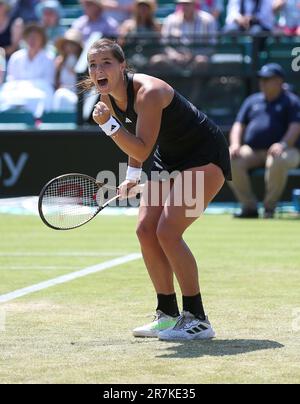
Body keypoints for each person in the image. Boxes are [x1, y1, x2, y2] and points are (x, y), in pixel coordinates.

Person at [83, 38, 231, 341]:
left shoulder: (148, 93)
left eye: (106, 63)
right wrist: (133, 174)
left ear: (123, 66)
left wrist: (108, 126)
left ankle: (198, 318)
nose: (98, 70)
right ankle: (167, 314)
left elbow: (141, 144)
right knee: (145, 230)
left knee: (168, 232)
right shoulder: (108, 95)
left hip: (205, 155)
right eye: (93, 65)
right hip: (170, 157)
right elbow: (139, 147)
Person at [228, 63, 300, 219]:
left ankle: (269, 207)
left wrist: (283, 144)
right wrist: (235, 144)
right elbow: (238, 125)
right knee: (228, 159)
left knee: (278, 158)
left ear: (279, 81)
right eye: (261, 78)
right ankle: (249, 207)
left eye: (267, 79)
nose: (262, 82)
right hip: (253, 151)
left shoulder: (291, 101)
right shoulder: (252, 101)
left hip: (287, 150)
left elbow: (295, 127)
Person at [0, 24, 55, 117]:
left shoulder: (48, 58)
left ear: (42, 40)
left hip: (40, 91)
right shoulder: (16, 57)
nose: (32, 40)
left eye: (36, 38)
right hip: (17, 90)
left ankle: (37, 121)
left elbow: (48, 82)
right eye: (30, 37)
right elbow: (11, 80)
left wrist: (28, 85)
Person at [53, 28, 83, 111]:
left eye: (73, 44)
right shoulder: (60, 62)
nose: (69, 47)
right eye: (67, 44)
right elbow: (56, 83)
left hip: (79, 96)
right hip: (64, 93)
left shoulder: (84, 63)